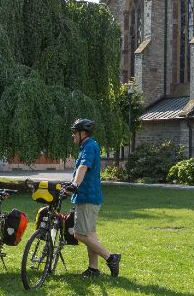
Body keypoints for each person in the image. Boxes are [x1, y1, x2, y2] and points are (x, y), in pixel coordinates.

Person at [68, 118, 121, 278]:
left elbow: (83, 167)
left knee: (79, 234)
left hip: (87, 197)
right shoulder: (87, 146)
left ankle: (111, 258)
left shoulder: (89, 147)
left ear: (83, 133)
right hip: (88, 196)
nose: (73, 136)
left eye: (75, 133)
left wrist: (75, 184)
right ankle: (93, 268)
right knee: (90, 234)